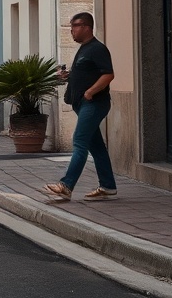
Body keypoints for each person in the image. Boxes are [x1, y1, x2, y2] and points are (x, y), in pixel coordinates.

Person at [43, 12, 117, 202]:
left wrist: (90, 92)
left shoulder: (97, 49)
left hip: (93, 104)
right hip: (83, 104)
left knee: (79, 141)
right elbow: (86, 73)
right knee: (97, 147)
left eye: (74, 26)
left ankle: (66, 185)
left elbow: (108, 74)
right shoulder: (84, 49)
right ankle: (108, 186)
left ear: (86, 26)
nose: (71, 31)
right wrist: (67, 76)